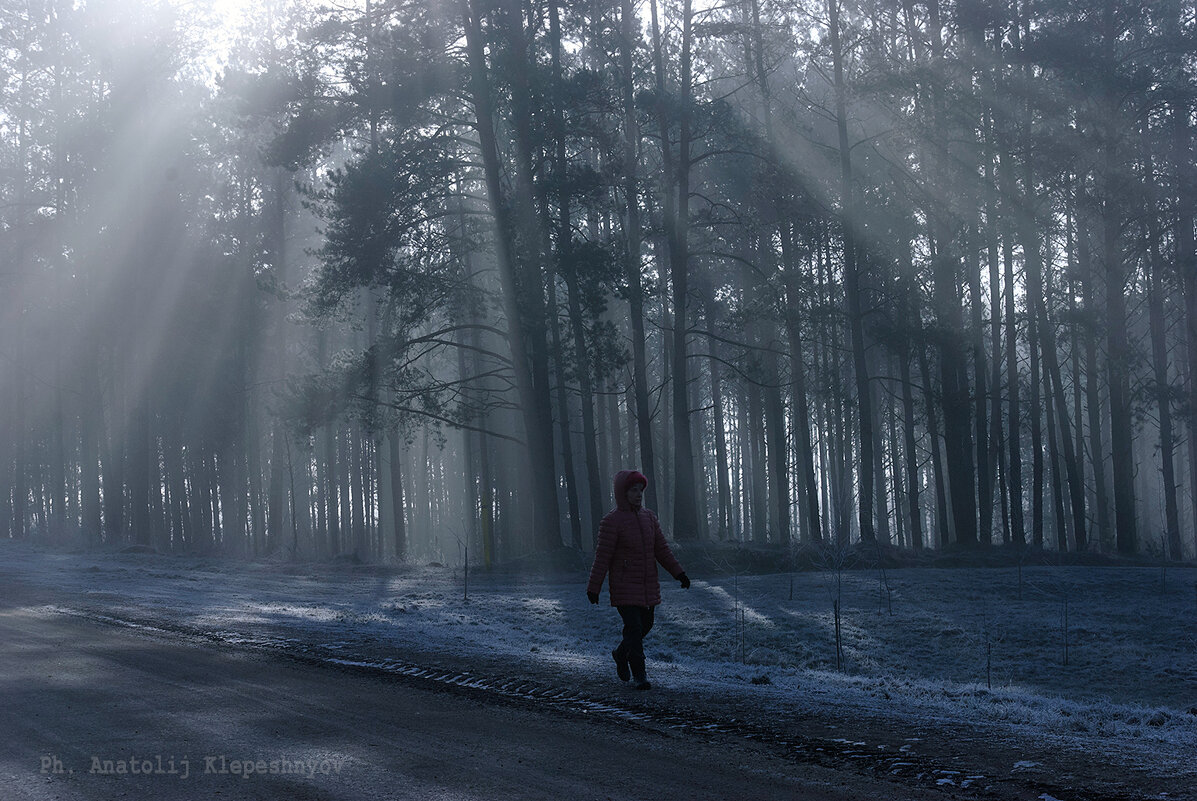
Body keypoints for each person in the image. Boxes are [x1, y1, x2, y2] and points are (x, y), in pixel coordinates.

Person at [586, 469, 690, 690]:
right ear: (622, 493)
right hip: (624, 586)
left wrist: (679, 573)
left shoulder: (649, 518)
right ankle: (640, 674)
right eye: (633, 490)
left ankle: (620, 653)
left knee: (647, 624)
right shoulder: (611, 522)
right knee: (633, 628)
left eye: (640, 490)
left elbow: (662, 550)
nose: (638, 494)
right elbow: (602, 557)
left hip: (647, 585)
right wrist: (594, 588)